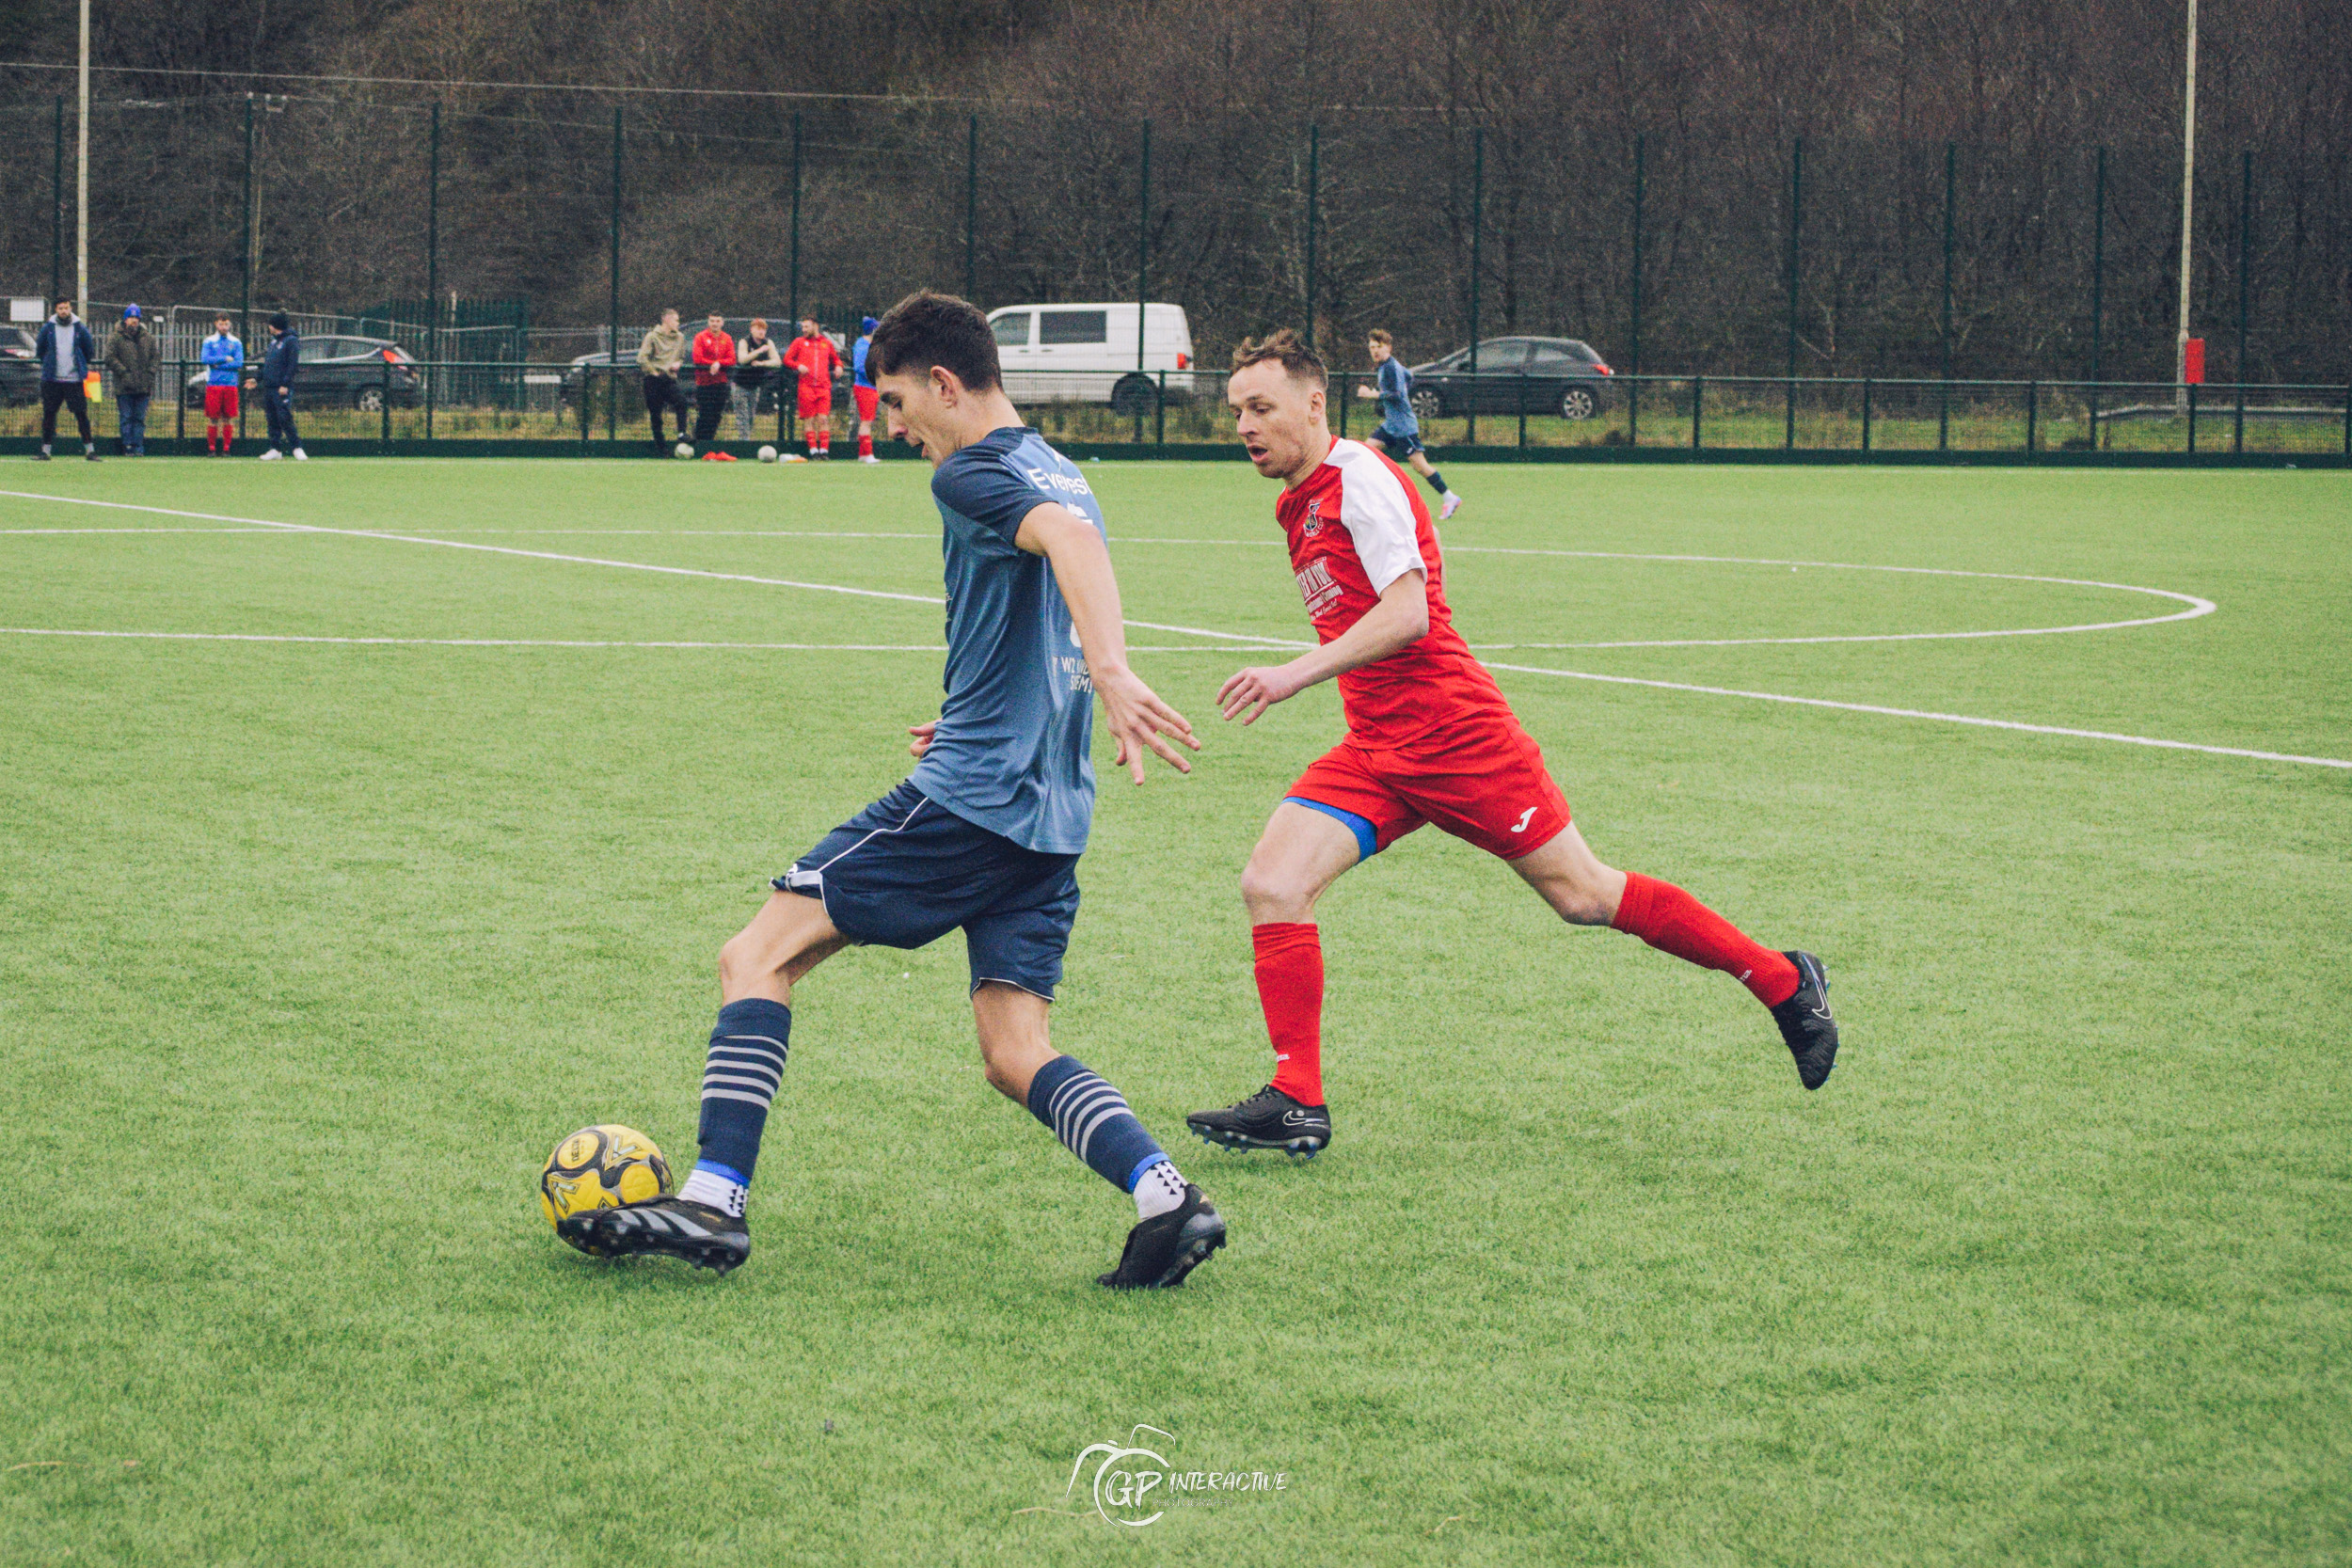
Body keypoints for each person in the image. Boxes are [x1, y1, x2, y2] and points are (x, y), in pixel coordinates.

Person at [559, 291, 1224, 1291]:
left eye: (902, 402)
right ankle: (1165, 1193)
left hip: (970, 803)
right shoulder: (1060, 466)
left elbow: (1072, 561)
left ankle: (712, 1196)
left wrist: (1116, 669)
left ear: (947, 385)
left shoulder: (974, 472)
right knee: (1013, 1048)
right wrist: (978, 706)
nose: (897, 425)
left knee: (755, 954)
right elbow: (1034, 603)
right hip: (1046, 817)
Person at [1186, 330, 1838, 1160]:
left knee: (1585, 896)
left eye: (1261, 407)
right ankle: (1297, 1098)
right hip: (1381, 746)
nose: (1244, 424)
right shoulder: (1300, 495)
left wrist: (1294, 673)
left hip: (1459, 739)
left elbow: (1409, 613)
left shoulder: (1361, 482)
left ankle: (1786, 983)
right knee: (1272, 882)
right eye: (1236, 409)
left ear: (1314, 404)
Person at [1360, 329, 1458, 519]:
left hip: (1404, 427)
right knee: (1365, 452)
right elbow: (1408, 377)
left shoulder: (1390, 367)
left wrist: (1374, 394)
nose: (1374, 351)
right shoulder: (1386, 366)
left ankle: (1450, 498)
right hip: (1391, 425)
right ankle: (1374, 502)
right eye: (1371, 347)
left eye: (1378, 347)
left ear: (1388, 347)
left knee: (1420, 466)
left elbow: (1396, 395)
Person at [32, 298, 98, 462]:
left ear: (70, 309)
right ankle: (45, 451)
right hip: (52, 380)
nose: (64, 311)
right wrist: (49, 365)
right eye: (60, 308)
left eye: (66, 308)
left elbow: (89, 350)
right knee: (49, 414)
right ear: (56, 309)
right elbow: (40, 350)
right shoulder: (48, 329)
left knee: (81, 415)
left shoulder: (79, 328)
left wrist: (79, 366)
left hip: (74, 380)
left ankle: (90, 451)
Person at [782, 316, 843, 460]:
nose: (804, 330)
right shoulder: (799, 342)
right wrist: (798, 366)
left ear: (815, 326)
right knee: (809, 419)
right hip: (806, 387)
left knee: (823, 419)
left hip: (823, 387)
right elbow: (787, 359)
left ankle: (824, 451)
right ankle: (813, 451)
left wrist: (839, 366)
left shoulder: (826, 343)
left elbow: (836, 359)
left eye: (806, 327)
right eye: (803, 327)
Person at [103, 304, 158, 457]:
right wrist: (123, 372)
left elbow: (156, 357)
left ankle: (138, 447)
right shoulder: (116, 337)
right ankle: (127, 446)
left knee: (139, 419)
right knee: (126, 417)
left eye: (136, 318)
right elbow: (109, 357)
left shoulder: (148, 338)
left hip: (143, 386)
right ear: (125, 319)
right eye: (131, 317)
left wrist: (150, 373)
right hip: (124, 386)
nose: (134, 320)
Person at [636, 308, 691, 454]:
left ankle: (681, 433)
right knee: (656, 414)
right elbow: (642, 358)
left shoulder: (680, 337)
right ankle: (661, 447)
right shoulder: (652, 337)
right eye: (676, 320)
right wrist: (654, 372)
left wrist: (678, 363)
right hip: (653, 380)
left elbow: (681, 356)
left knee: (682, 402)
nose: (678, 323)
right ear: (666, 320)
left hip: (668, 379)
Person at [255, 312, 306, 462]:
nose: (269, 327)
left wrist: (285, 384)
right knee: (272, 418)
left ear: (274, 325)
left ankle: (297, 447)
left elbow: (292, 365)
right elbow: (268, 365)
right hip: (269, 387)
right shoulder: (273, 342)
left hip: (281, 387)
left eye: (270, 325)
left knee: (284, 417)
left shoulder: (291, 341)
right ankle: (275, 449)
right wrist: (257, 378)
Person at [690, 310, 737, 454]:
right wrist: (712, 364)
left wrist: (719, 363)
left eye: (717, 321)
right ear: (708, 322)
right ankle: (699, 444)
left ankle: (709, 444)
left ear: (722, 322)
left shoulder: (727, 338)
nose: (714, 324)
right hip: (704, 383)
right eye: (712, 321)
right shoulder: (701, 337)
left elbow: (732, 359)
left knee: (716, 414)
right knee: (705, 413)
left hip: (720, 382)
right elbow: (697, 358)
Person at [199, 315, 244, 455]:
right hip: (214, 384)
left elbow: (238, 363)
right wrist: (224, 359)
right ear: (216, 324)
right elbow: (205, 359)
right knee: (213, 418)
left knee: (228, 418)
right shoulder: (209, 341)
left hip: (230, 385)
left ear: (229, 324)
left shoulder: (236, 342)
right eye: (221, 324)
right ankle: (211, 449)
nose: (223, 327)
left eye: (226, 324)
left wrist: (217, 365)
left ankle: (226, 449)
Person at [733, 317, 781, 439]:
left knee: (750, 417)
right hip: (740, 385)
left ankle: (746, 441)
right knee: (742, 417)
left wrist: (762, 364)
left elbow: (777, 362)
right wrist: (758, 351)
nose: (761, 332)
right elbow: (742, 359)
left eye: (763, 329)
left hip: (755, 387)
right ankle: (745, 444)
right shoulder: (744, 341)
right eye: (758, 329)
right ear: (752, 330)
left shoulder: (768, 343)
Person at [851, 313, 881, 463]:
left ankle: (863, 454)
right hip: (865, 387)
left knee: (867, 420)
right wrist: (875, 376)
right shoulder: (863, 345)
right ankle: (867, 453)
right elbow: (859, 367)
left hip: (869, 387)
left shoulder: (867, 345)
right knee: (866, 420)